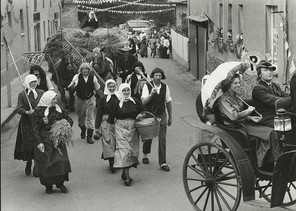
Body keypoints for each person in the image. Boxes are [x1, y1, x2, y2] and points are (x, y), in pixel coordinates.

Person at [218, 74, 280, 167]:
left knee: (274, 130)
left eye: (239, 83)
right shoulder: (223, 100)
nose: (238, 85)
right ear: (228, 85)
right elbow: (233, 117)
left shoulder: (236, 96)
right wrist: (248, 111)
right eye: (235, 83)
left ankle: (267, 160)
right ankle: (275, 162)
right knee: (271, 132)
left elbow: (240, 114)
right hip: (234, 127)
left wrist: (250, 118)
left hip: (243, 124)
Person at [32, 91, 73, 194]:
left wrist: (64, 125)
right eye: (53, 99)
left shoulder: (59, 109)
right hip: (45, 140)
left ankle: (60, 183)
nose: (55, 101)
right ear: (47, 99)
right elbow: (35, 128)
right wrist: (39, 142)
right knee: (47, 163)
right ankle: (48, 186)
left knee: (61, 161)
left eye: (56, 99)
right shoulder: (38, 111)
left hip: (57, 140)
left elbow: (69, 120)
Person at [106, 83, 145, 186]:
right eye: (124, 90)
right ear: (120, 91)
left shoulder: (135, 101)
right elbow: (110, 119)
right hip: (120, 128)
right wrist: (107, 134)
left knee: (132, 152)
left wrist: (140, 116)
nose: (126, 92)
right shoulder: (116, 102)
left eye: (128, 90)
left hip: (133, 128)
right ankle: (127, 177)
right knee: (124, 151)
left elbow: (143, 112)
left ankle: (124, 172)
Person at [141, 68, 173, 172]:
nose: (158, 78)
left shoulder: (165, 87)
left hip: (162, 114)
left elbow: (168, 102)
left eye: (160, 76)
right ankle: (145, 154)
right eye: (156, 76)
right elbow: (143, 102)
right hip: (150, 114)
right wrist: (151, 94)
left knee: (162, 139)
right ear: (153, 76)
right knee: (148, 136)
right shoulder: (147, 86)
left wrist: (170, 117)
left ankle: (163, 162)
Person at [14, 74, 44, 176]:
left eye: (35, 81)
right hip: (26, 123)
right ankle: (28, 162)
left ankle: (36, 165)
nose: (33, 84)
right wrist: (27, 112)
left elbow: (45, 105)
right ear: (27, 83)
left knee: (38, 143)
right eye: (31, 82)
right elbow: (19, 108)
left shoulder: (41, 93)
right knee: (28, 144)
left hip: (38, 122)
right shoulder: (22, 94)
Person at [68, 62, 101, 144]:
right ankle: (83, 129)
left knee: (90, 118)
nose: (85, 70)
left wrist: (102, 97)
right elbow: (73, 86)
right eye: (83, 69)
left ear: (89, 70)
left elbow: (97, 88)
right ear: (81, 70)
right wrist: (71, 86)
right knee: (81, 119)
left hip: (91, 99)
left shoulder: (93, 77)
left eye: (86, 69)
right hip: (80, 100)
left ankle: (89, 137)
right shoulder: (77, 77)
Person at [252, 60, 291, 128]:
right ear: (259, 74)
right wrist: (291, 100)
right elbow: (275, 101)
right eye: (266, 70)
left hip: (279, 116)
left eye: (270, 70)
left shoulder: (275, 85)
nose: (269, 72)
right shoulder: (258, 88)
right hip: (267, 118)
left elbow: (286, 96)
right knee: (287, 127)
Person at [95, 79, 119, 173]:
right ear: (107, 87)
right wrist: (97, 127)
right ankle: (111, 162)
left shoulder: (118, 97)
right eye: (110, 87)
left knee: (116, 142)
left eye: (113, 86)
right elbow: (99, 113)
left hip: (116, 122)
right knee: (108, 141)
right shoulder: (103, 98)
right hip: (105, 122)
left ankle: (115, 158)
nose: (112, 88)